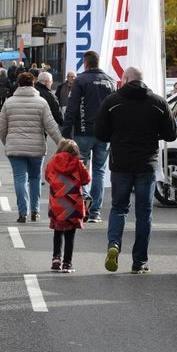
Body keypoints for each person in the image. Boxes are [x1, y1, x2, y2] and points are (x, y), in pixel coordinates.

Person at [94, 66, 177, 274]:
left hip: (120, 164)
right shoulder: (158, 102)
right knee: (144, 213)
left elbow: (100, 134)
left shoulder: (112, 102)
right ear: (142, 80)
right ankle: (139, 261)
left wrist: (118, 134)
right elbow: (171, 134)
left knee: (119, 208)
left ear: (125, 79)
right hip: (146, 165)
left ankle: (114, 244)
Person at [0, 72, 63, 223]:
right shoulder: (41, 102)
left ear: (19, 84)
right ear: (33, 84)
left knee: (20, 178)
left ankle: (23, 213)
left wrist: (7, 142)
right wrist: (62, 144)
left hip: (15, 148)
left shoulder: (9, 103)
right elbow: (51, 126)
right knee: (35, 178)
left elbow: (1, 127)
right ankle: (35, 211)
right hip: (36, 149)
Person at [63, 50, 116, 223]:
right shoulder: (110, 81)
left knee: (81, 168)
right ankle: (96, 213)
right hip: (104, 134)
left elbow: (72, 108)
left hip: (83, 131)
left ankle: (84, 202)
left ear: (86, 63)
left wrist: (66, 132)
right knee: (99, 171)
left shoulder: (80, 81)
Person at [44, 138, 90, 273]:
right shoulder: (78, 163)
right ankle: (67, 263)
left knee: (58, 231)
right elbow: (86, 179)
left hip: (57, 203)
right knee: (70, 234)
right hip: (73, 203)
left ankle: (56, 258)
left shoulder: (53, 162)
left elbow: (47, 177)